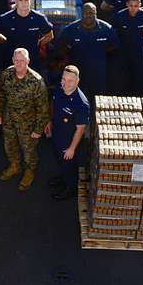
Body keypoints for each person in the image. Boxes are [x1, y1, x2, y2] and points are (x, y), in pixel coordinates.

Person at [0, 47, 50, 191]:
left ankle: (29, 171)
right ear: (13, 60)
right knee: (9, 145)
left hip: (28, 124)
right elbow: (1, 94)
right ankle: (14, 165)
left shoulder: (36, 81)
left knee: (29, 150)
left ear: (28, 61)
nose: (19, 63)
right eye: (16, 60)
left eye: (22, 60)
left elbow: (43, 108)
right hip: (9, 120)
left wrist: (38, 130)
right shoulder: (7, 74)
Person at [55, 3, 121, 98]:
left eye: (92, 13)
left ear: (96, 14)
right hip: (78, 75)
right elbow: (60, 46)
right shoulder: (70, 30)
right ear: (82, 14)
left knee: (99, 100)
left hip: (99, 74)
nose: (89, 15)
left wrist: (101, 52)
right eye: (86, 13)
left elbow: (115, 45)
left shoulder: (107, 29)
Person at [47, 65, 89, 201]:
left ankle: (70, 189)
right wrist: (49, 121)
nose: (65, 83)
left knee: (69, 166)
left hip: (69, 141)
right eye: (63, 79)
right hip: (57, 133)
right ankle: (63, 178)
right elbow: (53, 105)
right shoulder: (59, 89)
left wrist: (72, 149)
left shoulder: (81, 103)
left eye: (70, 80)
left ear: (77, 81)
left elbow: (81, 129)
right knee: (60, 160)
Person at [0, 0, 55, 75]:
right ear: (16, 1)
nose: (23, 3)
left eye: (26, 0)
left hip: (32, 60)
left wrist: (39, 43)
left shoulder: (39, 18)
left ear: (30, 1)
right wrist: (6, 42)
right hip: (11, 60)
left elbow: (49, 35)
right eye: (20, 0)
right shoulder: (6, 18)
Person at [112, 0, 143, 94]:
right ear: (127, 4)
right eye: (131, 5)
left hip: (139, 52)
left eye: (136, 6)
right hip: (123, 51)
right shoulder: (119, 16)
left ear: (140, 5)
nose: (133, 8)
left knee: (138, 76)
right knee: (122, 75)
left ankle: (137, 96)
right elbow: (112, 31)